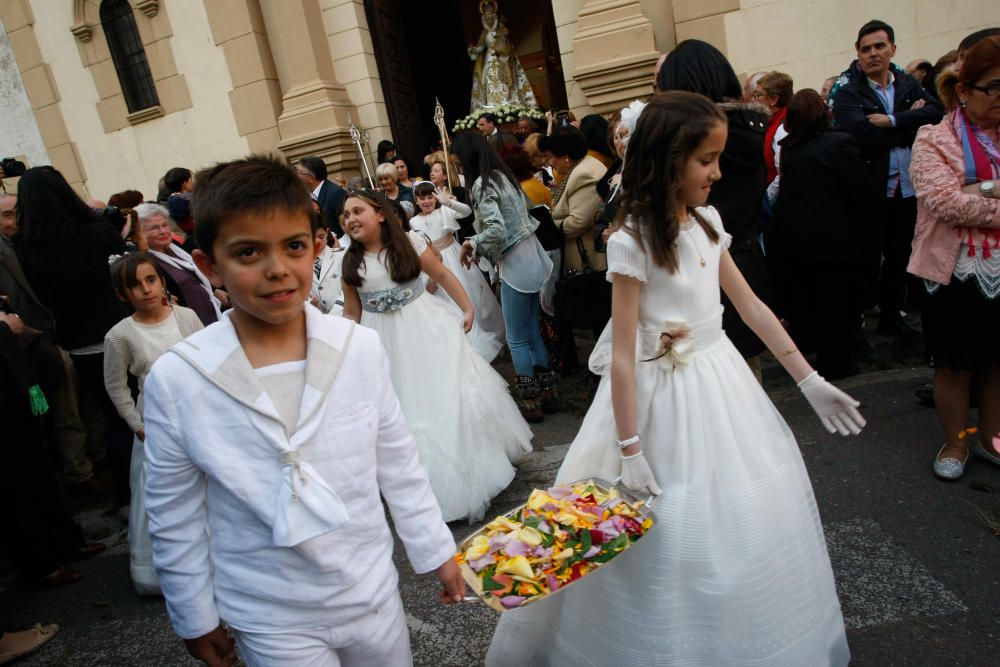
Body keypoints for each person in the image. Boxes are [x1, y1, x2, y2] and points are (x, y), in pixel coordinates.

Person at [486, 90, 863, 667]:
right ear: (669, 161)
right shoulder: (632, 241)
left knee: (739, 518)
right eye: (706, 159)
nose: (718, 171)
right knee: (658, 526)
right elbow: (621, 352)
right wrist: (630, 445)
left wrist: (807, 378)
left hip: (721, 383)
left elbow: (751, 306)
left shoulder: (709, 222)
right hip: (656, 397)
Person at [143, 156, 465, 666]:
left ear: (316, 246)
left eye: (292, 246)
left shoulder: (356, 349)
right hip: (269, 612)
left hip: (370, 589)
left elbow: (397, 460)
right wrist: (194, 614)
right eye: (248, 252)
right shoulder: (180, 377)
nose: (276, 269)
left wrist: (435, 549)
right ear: (209, 266)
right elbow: (174, 509)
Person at [340, 188, 531, 520]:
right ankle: (425, 488)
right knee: (405, 408)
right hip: (381, 343)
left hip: (425, 329)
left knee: (443, 398)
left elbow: (442, 275)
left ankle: (469, 476)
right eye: (345, 215)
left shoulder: (410, 244)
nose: (350, 219)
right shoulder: (350, 261)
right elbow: (352, 312)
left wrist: (467, 307)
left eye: (358, 211)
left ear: (381, 214)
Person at [907, 35, 1000, 480]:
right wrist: (990, 189)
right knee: (955, 365)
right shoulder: (933, 138)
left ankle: (991, 438)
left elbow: (963, 200)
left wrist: (976, 189)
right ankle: (955, 442)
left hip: (997, 269)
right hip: (953, 270)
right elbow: (944, 203)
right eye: (993, 86)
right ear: (964, 91)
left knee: (997, 362)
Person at [14, 166, 132, 512]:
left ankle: (127, 494)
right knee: (136, 409)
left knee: (112, 415)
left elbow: (42, 295)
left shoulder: (27, 246)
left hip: (79, 340)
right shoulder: (94, 230)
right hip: (116, 325)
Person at [657, 39, 775, 378]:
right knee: (743, 382)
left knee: (708, 384)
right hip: (746, 260)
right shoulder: (749, 130)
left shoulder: (699, 142)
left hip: (705, 272)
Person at [832, 19, 944, 336]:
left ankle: (893, 318)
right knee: (867, 260)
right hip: (872, 188)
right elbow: (860, 133)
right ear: (857, 52)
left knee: (902, 257)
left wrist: (892, 120)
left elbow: (935, 113)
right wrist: (908, 127)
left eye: (879, 46)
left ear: (892, 48)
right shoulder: (848, 91)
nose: (873, 54)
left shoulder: (907, 84)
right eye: (866, 49)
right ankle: (856, 327)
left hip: (908, 190)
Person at [103, 253, 203, 595]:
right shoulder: (120, 335)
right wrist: (137, 424)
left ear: (162, 282)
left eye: (151, 280)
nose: (146, 290)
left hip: (195, 410)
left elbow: (208, 361)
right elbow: (116, 386)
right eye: (134, 285)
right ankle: (170, 569)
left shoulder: (186, 318)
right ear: (122, 294)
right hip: (156, 418)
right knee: (162, 490)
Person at [769, 90, 877, 379]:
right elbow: (859, 192)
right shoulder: (839, 145)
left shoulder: (789, 147)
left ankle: (820, 357)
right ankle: (838, 362)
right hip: (835, 240)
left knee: (814, 302)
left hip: (798, 239)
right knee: (838, 305)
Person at [453, 131, 557, 421]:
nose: (458, 167)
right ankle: (548, 393)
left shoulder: (482, 184)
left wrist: (471, 242)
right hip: (533, 255)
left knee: (516, 338)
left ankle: (532, 401)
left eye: (458, 161)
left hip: (515, 262)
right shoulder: (503, 176)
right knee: (532, 331)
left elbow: (497, 230)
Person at [540, 126, 611, 373]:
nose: (550, 162)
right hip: (588, 259)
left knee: (601, 319)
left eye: (552, 157)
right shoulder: (578, 169)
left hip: (592, 260)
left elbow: (578, 221)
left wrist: (550, 224)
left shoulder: (583, 173)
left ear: (566, 155)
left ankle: (604, 371)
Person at [410, 181, 505, 362]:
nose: (427, 201)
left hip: (453, 255)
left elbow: (467, 212)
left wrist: (449, 202)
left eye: (430, 197)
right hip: (432, 261)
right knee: (445, 301)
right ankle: (459, 342)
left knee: (469, 292)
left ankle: (480, 329)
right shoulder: (414, 222)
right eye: (422, 198)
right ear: (416, 200)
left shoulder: (444, 211)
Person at [135, 203, 222, 326]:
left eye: (165, 225)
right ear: (140, 234)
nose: (162, 231)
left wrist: (214, 292)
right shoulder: (146, 262)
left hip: (210, 314)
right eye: (154, 228)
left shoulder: (176, 249)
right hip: (186, 324)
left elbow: (193, 277)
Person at [753, 70, 793, 202]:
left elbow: (782, 174)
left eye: (758, 96)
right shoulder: (771, 122)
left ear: (773, 99)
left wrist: (766, 201)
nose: (754, 101)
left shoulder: (784, 127)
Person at [296, 156, 347, 236]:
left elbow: (344, 225)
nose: (296, 176)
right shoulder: (303, 197)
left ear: (311, 178)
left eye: (298, 173)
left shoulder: (336, 194)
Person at [310, 222, 346, 315]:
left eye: (321, 237)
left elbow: (349, 289)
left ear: (327, 232)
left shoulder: (342, 255)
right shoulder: (299, 264)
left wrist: (335, 313)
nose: (317, 241)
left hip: (343, 314)